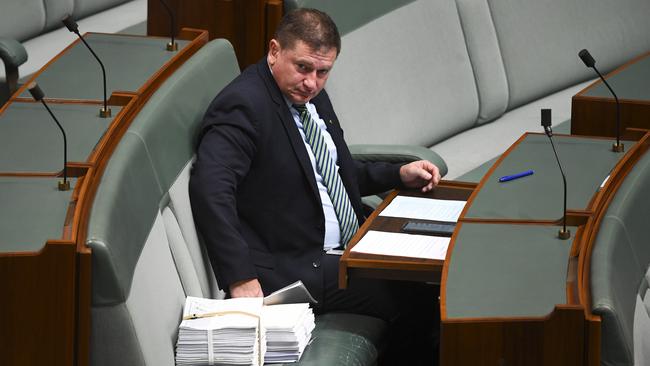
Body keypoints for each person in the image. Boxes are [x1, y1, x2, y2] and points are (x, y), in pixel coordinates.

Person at [189, 8, 441, 365]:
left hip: (346, 245)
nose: (312, 82)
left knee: (435, 264)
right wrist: (240, 277)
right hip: (297, 266)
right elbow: (210, 188)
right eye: (303, 67)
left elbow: (333, 170)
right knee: (423, 299)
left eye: (323, 72)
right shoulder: (244, 105)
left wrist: (398, 174)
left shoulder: (307, 95)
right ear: (274, 51)